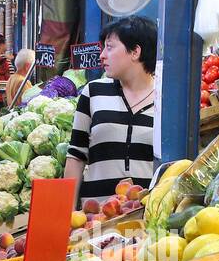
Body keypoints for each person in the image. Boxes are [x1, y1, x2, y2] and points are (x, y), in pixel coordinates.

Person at [67, 15, 157, 204]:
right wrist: (67, 212)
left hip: (144, 216)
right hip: (94, 217)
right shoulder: (93, 92)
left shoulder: (164, 100)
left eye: (110, 47)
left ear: (135, 52)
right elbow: (76, 156)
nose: (102, 55)